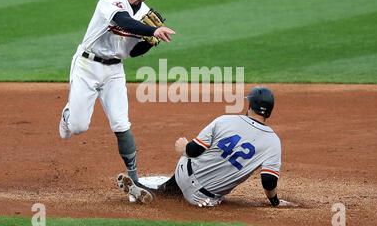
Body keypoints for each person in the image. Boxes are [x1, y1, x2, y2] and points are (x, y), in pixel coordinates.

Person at [59, 0, 175, 188]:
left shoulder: (145, 14)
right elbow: (123, 21)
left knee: (122, 124)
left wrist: (150, 44)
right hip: (87, 65)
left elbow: (130, 52)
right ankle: (68, 114)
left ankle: (134, 179)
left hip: (114, 71)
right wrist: (151, 32)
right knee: (78, 127)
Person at [119, 86, 289, 207]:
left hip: (184, 172)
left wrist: (184, 148)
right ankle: (161, 192)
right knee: (206, 185)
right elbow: (268, 180)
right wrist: (275, 202)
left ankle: (158, 190)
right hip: (201, 198)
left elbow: (194, 150)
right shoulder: (273, 142)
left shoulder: (225, 120)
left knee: (190, 156)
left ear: (249, 105)